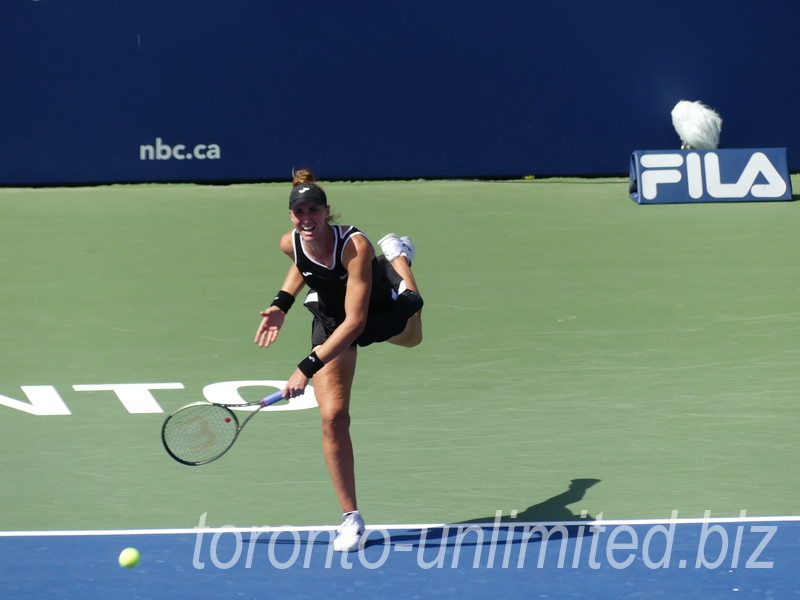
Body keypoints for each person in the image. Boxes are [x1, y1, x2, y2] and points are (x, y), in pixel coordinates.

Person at [254, 169, 424, 552]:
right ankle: (352, 519)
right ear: (291, 216)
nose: (307, 219)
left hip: (372, 308)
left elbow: (356, 323)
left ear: (327, 212)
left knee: (413, 333)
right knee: (333, 419)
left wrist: (305, 366)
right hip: (331, 316)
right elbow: (301, 262)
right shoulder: (291, 242)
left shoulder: (354, 245)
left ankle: (398, 259)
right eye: (300, 212)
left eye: (314, 210)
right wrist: (282, 303)